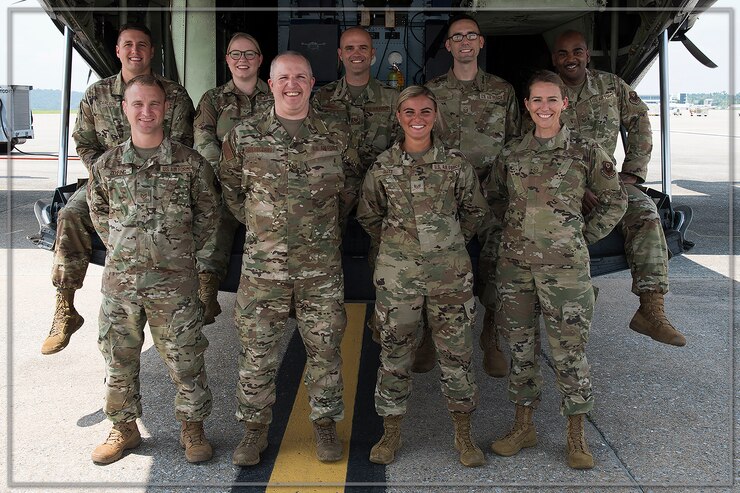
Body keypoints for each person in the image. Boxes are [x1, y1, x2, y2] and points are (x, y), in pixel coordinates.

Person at [219, 52, 360, 466]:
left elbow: (348, 191)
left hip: (320, 271)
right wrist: (264, 230)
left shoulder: (337, 136)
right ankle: (253, 431)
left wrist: (318, 229)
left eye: (300, 77)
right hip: (264, 272)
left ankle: (325, 427)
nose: (292, 84)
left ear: (312, 83)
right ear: (271, 83)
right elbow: (231, 192)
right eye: (284, 77)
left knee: (326, 352)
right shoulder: (243, 137)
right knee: (256, 354)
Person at [485, 70, 627, 469]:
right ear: (527, 106)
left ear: (565, 104)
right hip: (516, 270)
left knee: (569, 353)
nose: (544, 107)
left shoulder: (585, 150)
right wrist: (513, 233)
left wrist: (583, 234)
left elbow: (615, 200)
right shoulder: (512, 153)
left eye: (552, 100)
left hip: (565, 271)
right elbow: (495, 198)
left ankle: (576, 435)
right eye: (537, 100)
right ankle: (523, 426)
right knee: (520, 350)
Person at [86, 75, 218, 465]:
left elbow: (208, 214)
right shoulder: (107, 165)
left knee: (185, 358)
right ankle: (123, 427)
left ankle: (193, 428)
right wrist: (126, 252)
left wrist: (177, 251)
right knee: (118, 357)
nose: (146, 112)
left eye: (154, 104)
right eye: (138, 104)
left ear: (167, 109)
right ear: (124, 109)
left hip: (174, 284)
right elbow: (100, 214)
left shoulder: (190, 164)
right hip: (121, 284)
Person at [41, 23, 195, 355]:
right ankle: (65, 307)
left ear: (153, 51)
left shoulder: (175, 95)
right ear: (118, 50)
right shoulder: (96, 95)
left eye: (142, 44)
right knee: (69, 214)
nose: (135, 50)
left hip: (160, 183)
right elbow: (84, 141)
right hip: (106, 181)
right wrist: (106, 173)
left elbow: (182, 144)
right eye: (128, 44)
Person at [356, 85, 488, 467]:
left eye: (425, 111)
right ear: (398, 117)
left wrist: (447, 241)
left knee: (457, 355)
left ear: (435, 115)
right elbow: (369, 214)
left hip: (450, 276)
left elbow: (475, 211)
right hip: (399, 279)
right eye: (409, 112)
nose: (418, 119)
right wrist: (401, 247)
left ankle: (464, 436)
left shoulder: (456, 165)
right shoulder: (383, 166)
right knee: (395, 354)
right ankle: (391, 433)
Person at [551, 30, 686, 347]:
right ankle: (571, 307)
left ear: (587, 54)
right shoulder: (547, 92)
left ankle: (651, 310)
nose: (571, 58)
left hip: (607, 178)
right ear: (553, 58)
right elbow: (532, 141)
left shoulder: (610, 86)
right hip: (559, 182)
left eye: (577, 51)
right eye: (562, 53)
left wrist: (634, 172)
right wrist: (572, 185)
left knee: (646, 213)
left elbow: (639, 118)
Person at [421, 13, 521, 376]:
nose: (464, 42)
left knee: (499, 264)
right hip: (448, 200)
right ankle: (429, 335)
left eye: (471, 36)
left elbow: (514, 146)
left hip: (493, 197)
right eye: (457, 37)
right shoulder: (431, 92)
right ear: (448, 46)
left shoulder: (502, 91)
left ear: (481, 43)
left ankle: (490, 336)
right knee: (438, 267)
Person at [312, 25, 399, 340]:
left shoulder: (393, 99)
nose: (356, 54)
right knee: (321, 242)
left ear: (373, 54)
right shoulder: (322, 98)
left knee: (389, 244)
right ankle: (323, 314)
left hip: (380, 185)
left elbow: (404, 145)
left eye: (363, 48)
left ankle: (383, 315)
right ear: (339, 55)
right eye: (349, 48)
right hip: (337, 185)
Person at [193, 32, 273, 324]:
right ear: (227, 59)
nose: (243, 60)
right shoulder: (213, 99)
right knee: (216, 216)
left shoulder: (276, 94)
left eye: (250, 54)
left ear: (260, 60)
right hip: (227, 179)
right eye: (236, 54)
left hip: (268, 180)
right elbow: (203, 138)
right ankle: (206, 290)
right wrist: (223, 172)